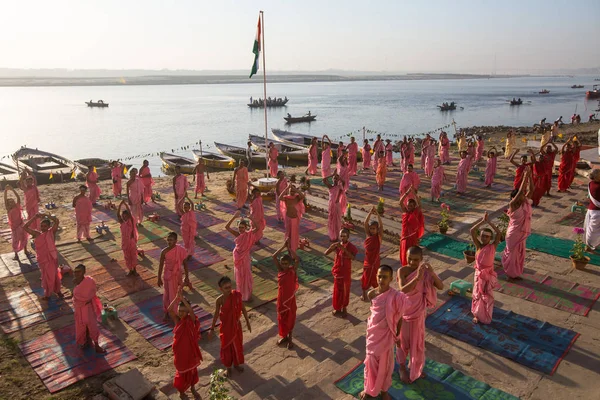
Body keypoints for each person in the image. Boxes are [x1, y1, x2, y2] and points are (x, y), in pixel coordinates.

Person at [396, 246, 443, 383]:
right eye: (409, 259)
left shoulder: (425, 272)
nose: (412, 262)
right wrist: (417, 278)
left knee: (417, 343)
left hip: (418, 313)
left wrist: (432, 273)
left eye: (416, 260)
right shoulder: (402, 271)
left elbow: (440, 286)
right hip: (404, 313)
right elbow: (403, 289)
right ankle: (402, 367)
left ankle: (415, 367)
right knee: (403, 342)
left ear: (421, 259)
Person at [360, 265, 406, 400]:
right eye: (379, 276)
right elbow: (375, 314)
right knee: (370, 361)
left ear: (391, 279)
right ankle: (369, 389)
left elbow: (399, 318)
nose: (381, 279)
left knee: (386, 366)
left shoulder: (396, 297)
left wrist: (397, 335)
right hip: (374, 334)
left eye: (385, 277)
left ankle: (384, 390)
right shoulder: (371, 294)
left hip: (387, 336)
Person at [209, 276, 252, 377]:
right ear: (221, 289)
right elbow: (216, 314)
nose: (229, 289)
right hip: (226, 328)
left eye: (230, 286)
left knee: (237, 345)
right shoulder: (219, 300)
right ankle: (228, 368)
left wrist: (247, 321)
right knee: (226, 347)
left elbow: (243, 308)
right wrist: (211, 329)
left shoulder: (236, 295)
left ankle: (236, 364)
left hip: (236, 326)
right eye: (226, 288)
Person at [168, 289, 202, 398]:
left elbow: (191, 312)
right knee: (181, 373)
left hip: (190, 352)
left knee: (192, 371)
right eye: (179, 310)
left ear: (187, 312)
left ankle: (193, 388)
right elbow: (170, 310)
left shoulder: (191, 320)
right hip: (180, 353)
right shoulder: (178, 321)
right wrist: (176, 299)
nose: (181, 313)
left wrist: (182, 299)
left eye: (183, 311)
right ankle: (182, 392)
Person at [470, 213, 501, 324]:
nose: (484, 238)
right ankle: (477, 314)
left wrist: (489, 223)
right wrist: (482, 221)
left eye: (487, 236)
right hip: (478, 274)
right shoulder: (478, 245)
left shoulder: (493, 246)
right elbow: (472, 231)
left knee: (486, 296)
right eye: (483, 236)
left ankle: (485, 314)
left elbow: (498, 233)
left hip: (488, 275)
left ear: (490, 238)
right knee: (477, 294)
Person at [502, 169, 533, 279]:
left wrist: (530, 176)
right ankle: (510, 274)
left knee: (520, 254)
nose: (523, 196)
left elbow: (532, 190)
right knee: (513, 254)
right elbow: (520, 192)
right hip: (514, 233)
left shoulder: (525, 202)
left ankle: (516, 273)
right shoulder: (513, 204)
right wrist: (525, 177)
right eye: (520, 196)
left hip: (521, 232)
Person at [24, 213, 63, 300]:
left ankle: (57, 290)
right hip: (42, 259)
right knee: (46, 276)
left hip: (51, 257)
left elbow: (56, 221)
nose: (43, 228)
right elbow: (25, 227)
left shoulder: (51, 232)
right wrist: (34, 217)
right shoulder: (37, 234)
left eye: (45, 226)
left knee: (54, 275)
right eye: (42, 226)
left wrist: (46, 215)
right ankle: (48, 294)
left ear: (49, 226)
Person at [226, 212, 260, 302]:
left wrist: (251, 218)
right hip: (237, 256)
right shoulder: (237, 234)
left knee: (246, 275)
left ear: (246, 228)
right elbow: (227, 227)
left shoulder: (248, 234)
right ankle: (241, 293)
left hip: (245, 257)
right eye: (239, 227)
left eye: (242, 227)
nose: (241, 229)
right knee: (239, 276)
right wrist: (234, 217)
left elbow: (258, 228)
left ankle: (247, 294)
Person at [325, 228, 358, 318]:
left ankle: (344, 308)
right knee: (337, 291)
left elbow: (353, 257)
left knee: (345, 291)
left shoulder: (351, 246)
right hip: (338, 271)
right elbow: (325, 253)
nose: (342, 238)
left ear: (348, 236)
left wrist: (343, 249)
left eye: (344, 236)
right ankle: (337, 308)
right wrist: (331, 248)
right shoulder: (337, 245)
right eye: (341, 236)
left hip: (345, 272)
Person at [73, 264, 105, 353]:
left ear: (83, 272)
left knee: (92, 326)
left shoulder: (89, 281)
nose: (76, 274)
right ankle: (85, 341)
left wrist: (77, 288)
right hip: (79, 309)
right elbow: (76, 298)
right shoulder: (76, 285)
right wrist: (76, 286)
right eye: (75, 272)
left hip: (88, 308)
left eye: (78, 272)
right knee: (81, 327)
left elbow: (93, 291)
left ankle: (96, 345)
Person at [158, 232, 191, 319]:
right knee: (167, 294)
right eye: (168, 240)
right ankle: (167, 311)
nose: (169, 242)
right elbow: (161, 265)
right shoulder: (164, 252)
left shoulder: (181, 250)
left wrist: (187, 276)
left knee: (176, 294)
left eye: (171, 240)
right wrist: (158, 278)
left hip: (177, 275)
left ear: (176, 241)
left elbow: (185, 264)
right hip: (167, 275)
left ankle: (176, 312)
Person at [273, 240, 299, 349]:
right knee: (282, 318)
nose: (284, 265)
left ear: (290, 264)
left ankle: (290, 339)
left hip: (290, 300)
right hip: (281, 299)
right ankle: (284, 336)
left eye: (286, 264)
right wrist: (283, 246)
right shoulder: (280, 270)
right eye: (282, 263)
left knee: (290, 318)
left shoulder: (292, 270)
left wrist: (289, 249)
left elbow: (297, 259)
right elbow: (274, 256)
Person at [398, 187, 424, 266]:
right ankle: (405, 267)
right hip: (405, 238)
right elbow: (400, 202)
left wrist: (414, 194)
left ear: (414, 207)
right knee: (404, 254)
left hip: (413, 237)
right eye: (408, 205)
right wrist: (407, 193)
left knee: (413, 253)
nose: (409, 207)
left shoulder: (416, 213)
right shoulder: (405, 212)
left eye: (411, 206)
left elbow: (419, 204)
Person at [362, 207, 382, 301]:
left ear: (377, 229)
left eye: (374, 229)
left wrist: (377, 214)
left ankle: (377, 294)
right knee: (365, 277)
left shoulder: (379, 237)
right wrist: (370, 212)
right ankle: (364, 295)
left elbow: (381, 225)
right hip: (367, 261)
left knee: (375, 278)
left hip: (375, 261)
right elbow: (365, 223)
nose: (372, 230)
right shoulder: (368, 236)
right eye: (371, 229)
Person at [3, 185, 29, 259]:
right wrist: (6, 191)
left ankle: (25, 250)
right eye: (10, 202)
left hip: (21, 225)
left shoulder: (17, 206)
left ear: (14, 202)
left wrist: (12, 190)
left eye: (12, 201)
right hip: (14, 228)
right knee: (15, 241)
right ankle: (16, 254)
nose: (12, 203)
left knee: (24, 238)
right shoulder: (9, 209)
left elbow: (18, 198)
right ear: (8, 204)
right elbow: (5, 200)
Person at [281, 184, 305, 258]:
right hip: (288, 218)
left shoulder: (297, 197)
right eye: (291, 191)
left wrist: (296, 189)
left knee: (294, 235)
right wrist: (286, 188)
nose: (292, 192)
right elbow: (280, 198)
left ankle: (293, 250)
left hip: (294, 219)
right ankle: (289, 249)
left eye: (293, 191)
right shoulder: (286, 197)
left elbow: (303, 196)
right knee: (288, 234)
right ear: (289, 191)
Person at [117, 200, 139, 276]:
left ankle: (135, 270)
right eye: (124, 215)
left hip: (131, 242)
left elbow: (129, 213)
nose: (125, 216)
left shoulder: (131, 222)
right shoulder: (122, 223)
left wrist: (126, 205)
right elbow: (118, 215)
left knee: (133, 255)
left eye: (126, 215)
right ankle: (130, 270)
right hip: (125, 243)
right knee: (127, 257)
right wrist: (120, 206)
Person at [324, 172, 346, 242]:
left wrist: (339, 178)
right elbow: (324, 180)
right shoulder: (331, 186)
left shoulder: (339, 187)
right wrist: (332, 175)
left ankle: (337, 235)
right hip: (331, 205)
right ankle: (332, 236)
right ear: (332, 179)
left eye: (336, 179)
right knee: (331, 221)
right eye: (334, 179)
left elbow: (344, 182)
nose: (335, 180)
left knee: (337, 221)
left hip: (337, 206)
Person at [178, 195, 197, 260]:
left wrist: (187, 197)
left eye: (186, 207)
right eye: (184, 207)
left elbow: (192, 204)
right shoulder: (183, 213)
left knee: (191, 242)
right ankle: (188, 253)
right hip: (184, 230)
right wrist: (183, 197)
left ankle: (189, 254)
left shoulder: (191, 212)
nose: (185, 208)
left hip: (190, 231)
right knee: (186, 242)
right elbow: (178, 205)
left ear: (189, 208)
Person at [585, 169, 600, 251]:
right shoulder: (598, 187)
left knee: (591, 229)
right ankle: (589, 246)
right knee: (593, 231)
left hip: (592, 210)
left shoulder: (591, 183)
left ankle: (590, 245)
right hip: (597, 212)